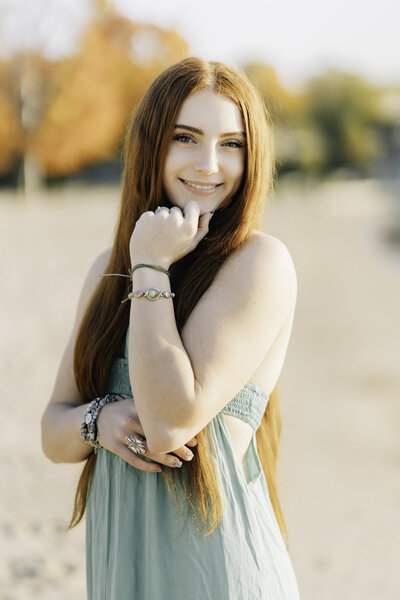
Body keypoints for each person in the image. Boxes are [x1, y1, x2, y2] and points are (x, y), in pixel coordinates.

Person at [41, 56, 299, 599]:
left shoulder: (259, 264)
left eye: (232, 144)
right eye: (187, 137)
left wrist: (152, 268)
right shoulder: (110, 271)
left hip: (218, 574)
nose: (209, 164)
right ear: (151, 144)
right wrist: (100, 420)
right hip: (123, 573)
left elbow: (170, 422)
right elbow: (53, 432)